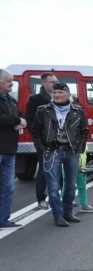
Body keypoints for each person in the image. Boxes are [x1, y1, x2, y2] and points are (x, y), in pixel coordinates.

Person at [32, 82, 88, 227]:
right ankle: (58, 215)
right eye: (54, 93)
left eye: (60, 93)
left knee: (70, 186)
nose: (56, 95)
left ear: (68, 95)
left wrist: (79, 149)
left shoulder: (78, 110)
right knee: (53, 187)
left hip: (71, 152)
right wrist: (43, 149)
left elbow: (84, 131)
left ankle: (68, 212)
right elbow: (36, 132)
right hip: (52, 151)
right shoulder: (42, 110)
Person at [25, 72, 59, 209]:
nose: (56, 84)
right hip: (44, 141)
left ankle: (56, 197)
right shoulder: (36, 99)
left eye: (56, 81)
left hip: (59, 140)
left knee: (59, 170)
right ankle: (41, 198)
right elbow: (29, 119)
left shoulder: (59, 97)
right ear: (44, 83)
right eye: (52, 82)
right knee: (45, 170)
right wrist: (37, 136)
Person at [0, 69, 26, 228]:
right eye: (8, 80)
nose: (11, 83)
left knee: (8, 187)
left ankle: (3, 220)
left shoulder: (10, 100)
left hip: (10, 149)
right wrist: (17, 119)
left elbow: (15, 117)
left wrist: (20, 121)